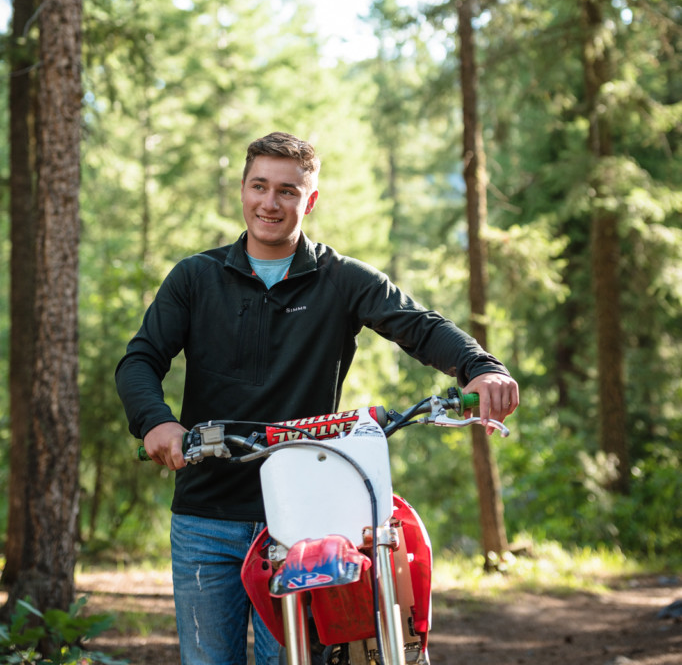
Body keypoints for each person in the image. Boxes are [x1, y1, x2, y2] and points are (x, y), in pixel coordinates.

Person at [115, 131, 519, 665]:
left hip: (303, 515)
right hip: (206, 515)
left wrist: (480, 368)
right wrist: (155, 423)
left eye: (287, 190)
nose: (270, 202)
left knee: (295, 660)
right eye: (259, 186)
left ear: (310, 200)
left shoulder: (342, 279)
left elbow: (419, 326)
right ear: (242, 190)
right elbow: (140, 359)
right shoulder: (196, 277)